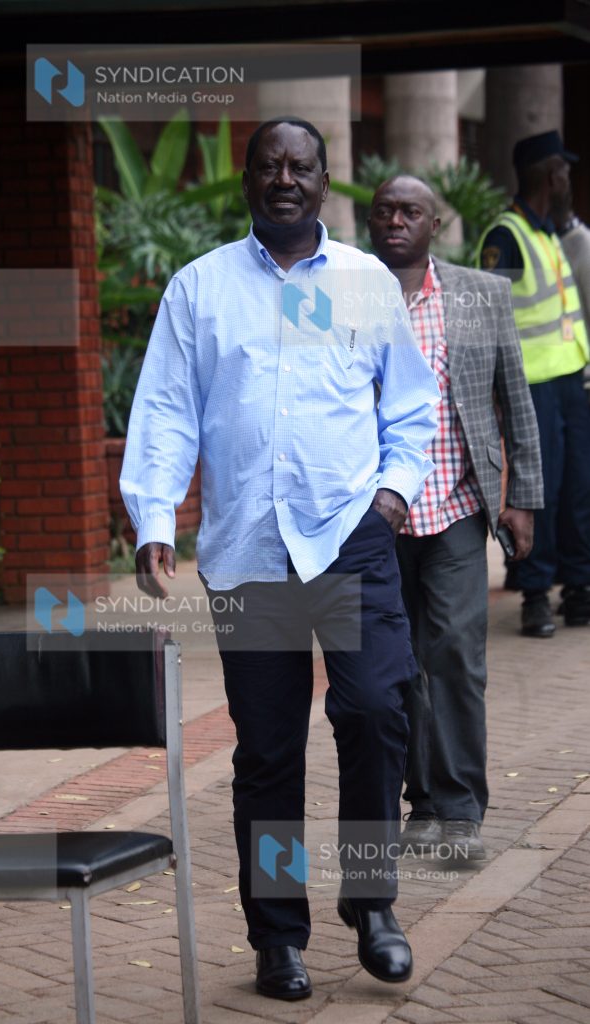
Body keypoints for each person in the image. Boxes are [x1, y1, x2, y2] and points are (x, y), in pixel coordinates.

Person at [121, 118, 440, 1001]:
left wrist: (390, 496)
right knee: (267, 754)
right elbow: (166, 411)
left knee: (375, 711)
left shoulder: (364, 282)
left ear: (324, 179)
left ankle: (372, 905)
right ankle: (276, 936)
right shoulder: (201, 289)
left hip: (347, 539)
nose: (285, 179)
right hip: (249, 555)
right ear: (249, 181)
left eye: (301, 166)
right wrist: (153, 515)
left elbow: (409, 407)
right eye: (270, 165)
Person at [369, 175, 543, 861]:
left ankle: (462, 808)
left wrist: (521, 499)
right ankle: (423, 807)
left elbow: (514, 402)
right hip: (378, 516)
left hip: (456, 506)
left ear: (434, 223)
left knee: (456, 657)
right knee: (399, 664)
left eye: (409, 211)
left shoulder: (475, 296)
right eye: (383, 211)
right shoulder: (348, 298)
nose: (394, 221)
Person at [478, 130, 590, 637]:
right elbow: (487, 322)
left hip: (571, 382)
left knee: (577, 489)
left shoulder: (548, 233)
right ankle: (534, 594)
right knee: (536, 492)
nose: (569, 178)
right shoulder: (506, 238)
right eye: (564, 171)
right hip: (531, 388)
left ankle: (578, 586)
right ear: (551, 175)